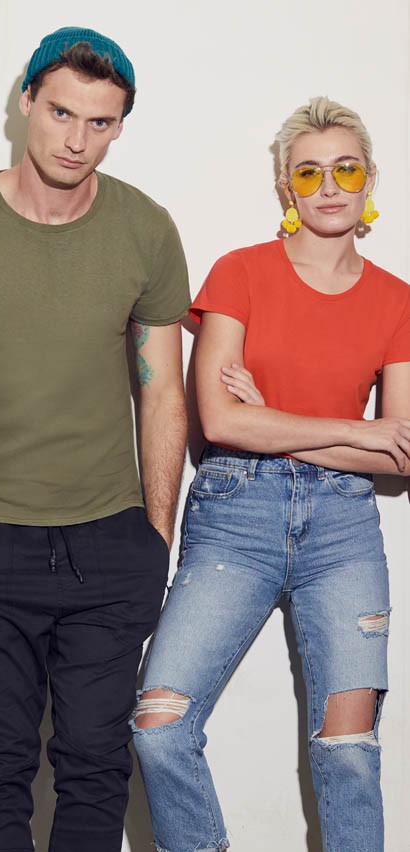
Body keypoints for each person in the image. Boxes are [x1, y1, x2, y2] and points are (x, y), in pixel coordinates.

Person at [0, 25, 190, 852]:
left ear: (120, 125)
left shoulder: (146, 230)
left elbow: (162, 392)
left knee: (96, 767)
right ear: (26, 101)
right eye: (61, 112)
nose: (76, 139)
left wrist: (154, 535)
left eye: (100, 122)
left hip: (110, 543)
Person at [132, 96, 410, 852]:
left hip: (345, 531)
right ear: (286, 186)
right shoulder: (241, 272)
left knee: (349, 751)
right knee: (159, 726)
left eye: (345, 168)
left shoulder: (396, 301)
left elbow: (400, 455)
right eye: (309, 172)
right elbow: (221, 423)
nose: (329, 185)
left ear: (370, 178)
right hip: (235, 514)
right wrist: (353, 429)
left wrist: (277, 423)